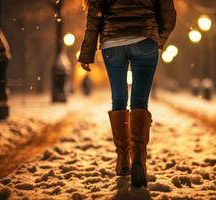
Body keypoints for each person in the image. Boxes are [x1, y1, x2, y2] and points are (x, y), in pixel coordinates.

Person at [79, 0, 176, 188]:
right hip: (145, 38)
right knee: (140, 101)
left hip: (112, 42)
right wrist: (158, 38)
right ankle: (138, 157)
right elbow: (169, 14)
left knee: (119, 99)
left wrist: (87, 52)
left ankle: (123, 158)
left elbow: (95, 13)